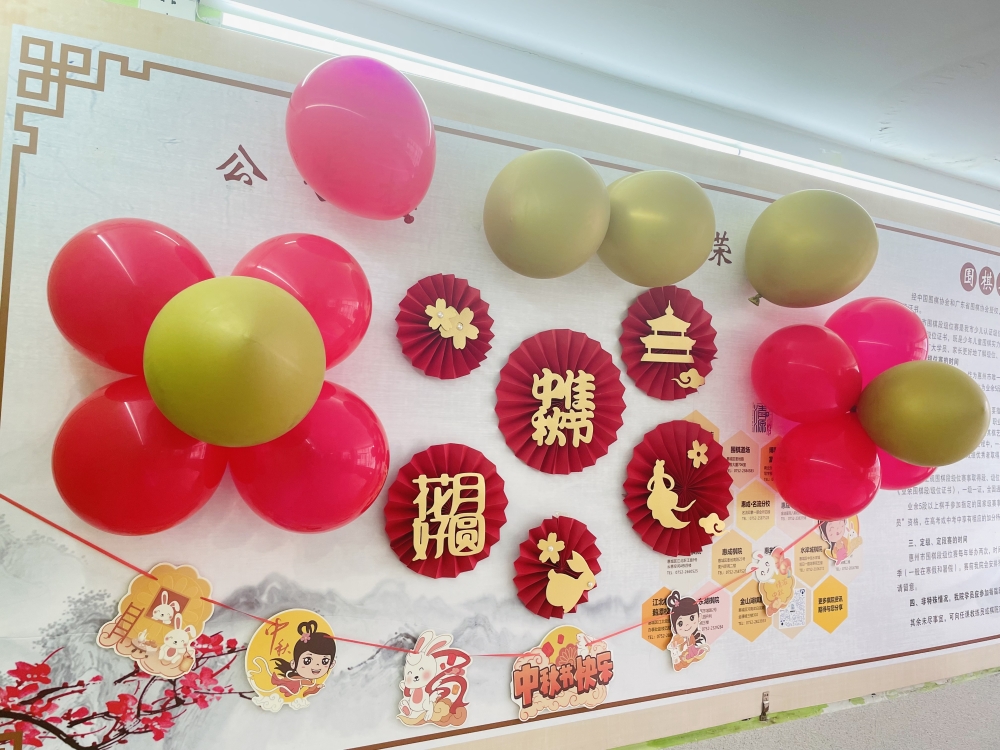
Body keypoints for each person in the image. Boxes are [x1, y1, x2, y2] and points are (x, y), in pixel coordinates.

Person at [268, 620, 337, 698]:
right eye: (307, 661)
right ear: (293, 664)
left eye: (324, 661)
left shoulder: (308, 680)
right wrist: (314, 687)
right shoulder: (299, 679)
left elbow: (305, 693)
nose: (317, 665)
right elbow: (306, 689)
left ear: (332, 664)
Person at [665, 591, 708, 671]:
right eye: (680, 623)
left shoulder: (695, 636)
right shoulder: (679, 639)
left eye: (692, 618)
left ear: (699, 617)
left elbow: (698, 644)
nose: (687, 625)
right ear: (674, 628)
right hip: (683, 658)